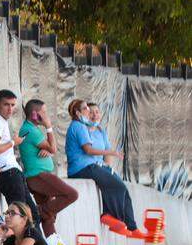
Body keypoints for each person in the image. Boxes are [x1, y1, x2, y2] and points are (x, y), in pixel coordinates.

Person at [65, 99, 136, 231]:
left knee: (119, 184)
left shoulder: (80, 126)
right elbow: (88, 150)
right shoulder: (79, 126)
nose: (89, 112)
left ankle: (130, 226)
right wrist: (112, 152)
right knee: (116, 185)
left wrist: (107, 164)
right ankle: (110, 216)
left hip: (88, 166)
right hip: (82, 168)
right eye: (86, 109)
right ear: (78, 112)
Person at [18, 98, 78, 236]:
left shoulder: (33, 130)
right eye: (43, 112)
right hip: (38, 176)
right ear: (34, 114)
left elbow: (50, 149)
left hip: (40, 176)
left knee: (49, 218)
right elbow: (53, 148)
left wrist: (49, 149)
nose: (46, 116)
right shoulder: (30, 130)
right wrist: (49, 126)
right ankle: (35, 212)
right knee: (71, 194)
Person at [0, 90, 40, 212]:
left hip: (11, 172)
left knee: (32, 214)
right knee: (20, 214)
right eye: (6, 104)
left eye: (12, 105)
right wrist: (13, 142)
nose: (10, 109)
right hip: (7, 172)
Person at [87, 103, 118, 171]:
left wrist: (106, 168)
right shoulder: (82, 131)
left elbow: (108, 152)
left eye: (97, 112)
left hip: (101, 168)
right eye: (91, 112)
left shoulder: (102, 132)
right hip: (89, 168)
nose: (95, 115)